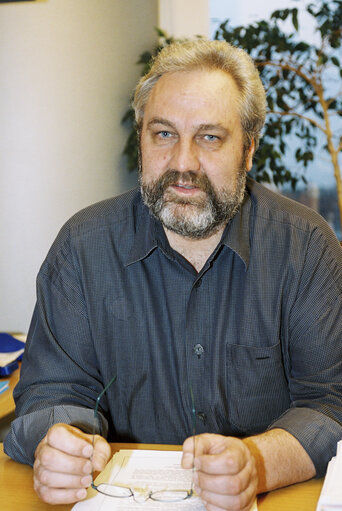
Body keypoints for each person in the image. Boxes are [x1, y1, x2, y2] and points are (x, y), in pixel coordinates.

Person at [5, 39, 342, 511]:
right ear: (141, 137)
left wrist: (256, 461)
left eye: (209, 137)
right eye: (163, 134)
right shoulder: (81, 248)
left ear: (247, 149)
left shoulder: (305, 247)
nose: (183, 163)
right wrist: (56, 444)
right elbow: (51, 392)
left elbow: (330, 402)